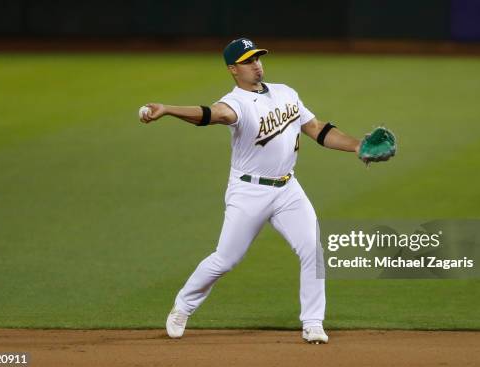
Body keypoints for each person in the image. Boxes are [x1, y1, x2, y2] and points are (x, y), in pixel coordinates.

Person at [140, 37, 363, 344]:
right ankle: (183, 306)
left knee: (312, 249)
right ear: (233, 69)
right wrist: (166, 109)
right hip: (249, 192)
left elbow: (317, 129)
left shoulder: (286, 93)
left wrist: (357, 146)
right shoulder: (236, 102)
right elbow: (211, 114)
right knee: (225, 260)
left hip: (288, 189)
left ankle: (313, 322)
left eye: (258, 58)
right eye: (248, 61)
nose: (257, 65)